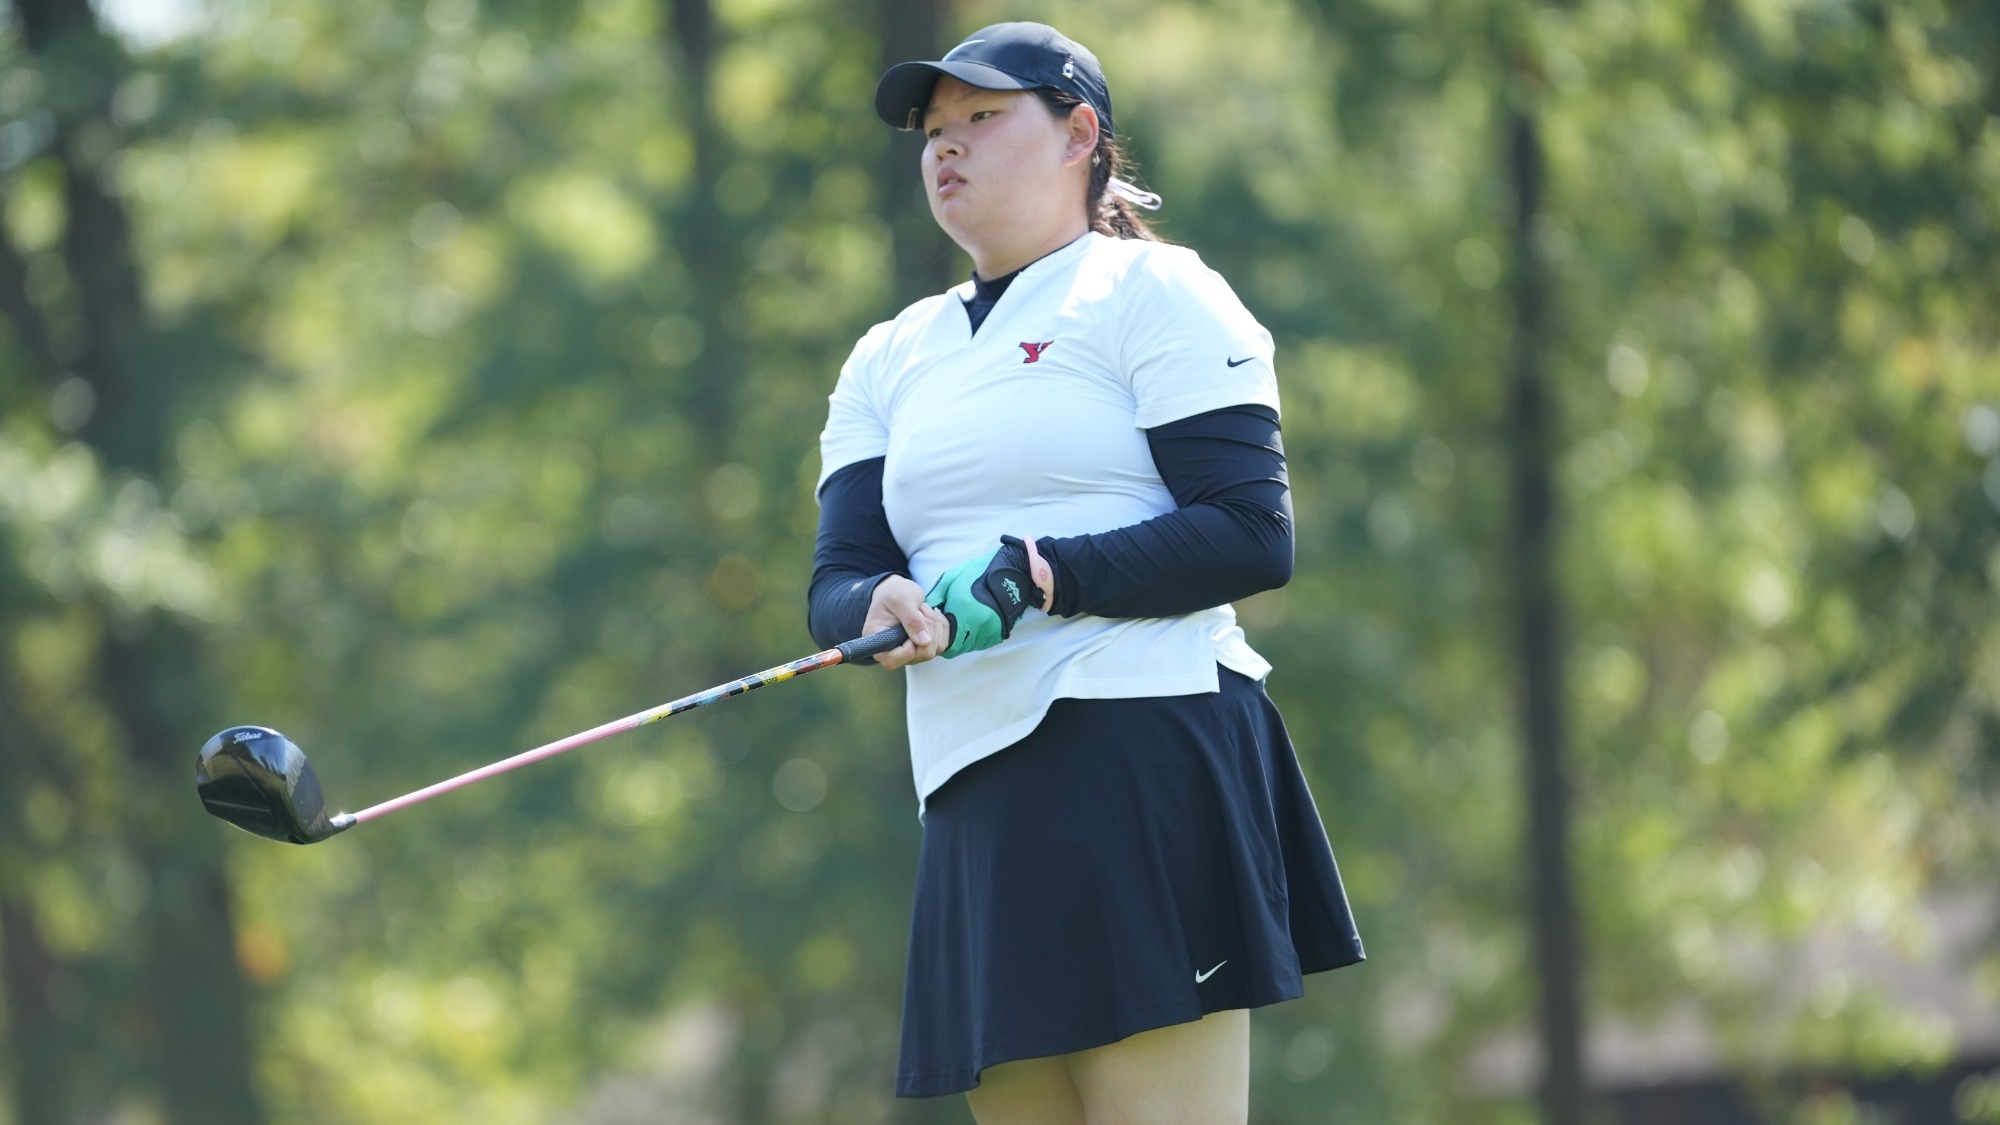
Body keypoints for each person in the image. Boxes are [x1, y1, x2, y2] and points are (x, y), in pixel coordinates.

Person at [807, 22, 1364, 1123]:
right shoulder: (888, 355)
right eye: (932, 130)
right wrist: (871, 603)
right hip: (970, 785)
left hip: (1142, 748)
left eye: (981, 118)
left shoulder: (1153, 292)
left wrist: (1039, 574)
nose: (944, 149)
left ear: (1079, 136)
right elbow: (839, 574)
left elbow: (1251, 533)